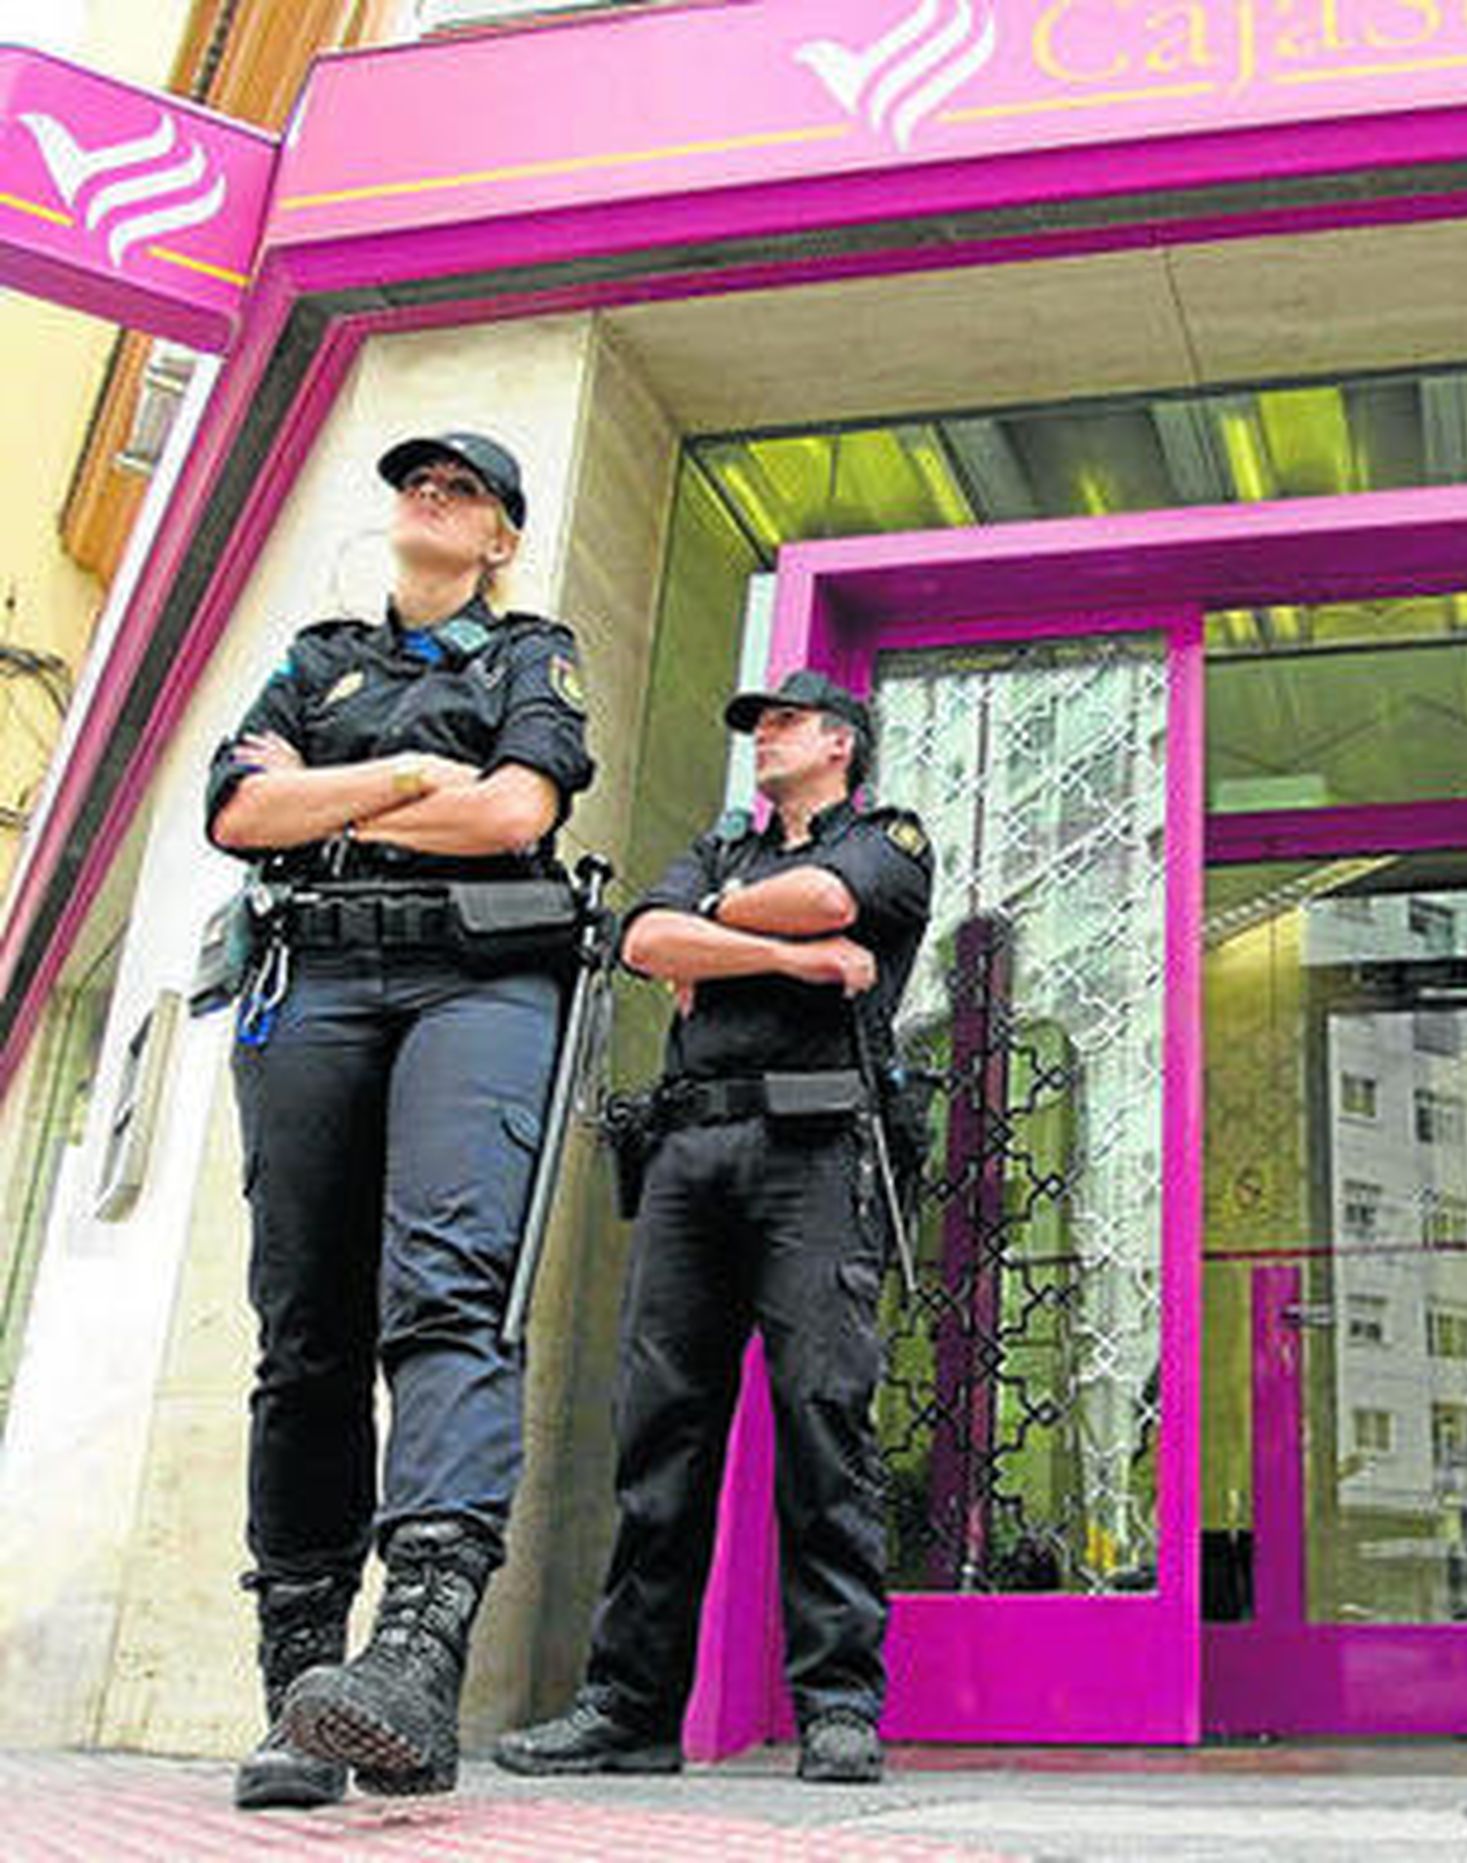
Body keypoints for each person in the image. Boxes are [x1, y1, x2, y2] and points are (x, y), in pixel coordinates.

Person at [206, 430, 595, 1807]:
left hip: (475, 980)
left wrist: (340, 798)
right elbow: (242, 812)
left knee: (447, 1289)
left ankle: (412, 1658)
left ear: (499, 538)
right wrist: (412, 781)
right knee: (304, 1326)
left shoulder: (529, 655)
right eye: (418, 484)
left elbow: (514, 811)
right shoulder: (317, 658)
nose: (434, 500)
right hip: (310, 978)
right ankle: (301, 1689)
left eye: (468, 491)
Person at [493, 668, 932, 1787]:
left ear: (839, 742)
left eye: (783, 723)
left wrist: (719, 924)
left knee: (823, 1420)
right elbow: (644, 941)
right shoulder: (717, 843)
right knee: (660, 1432)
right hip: (690, 1158)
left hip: (816, 1158)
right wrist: (786, 959)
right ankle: (629, 1710)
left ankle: (837, 1703)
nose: (764, 739)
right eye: (759, 726)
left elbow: (832, 902)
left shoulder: (889, 838)